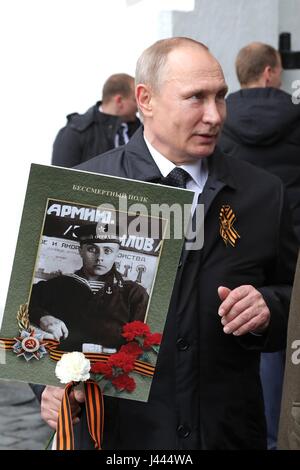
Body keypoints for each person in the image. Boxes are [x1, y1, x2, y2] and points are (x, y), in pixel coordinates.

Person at [33, 37, 297, 450]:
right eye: (196, 98)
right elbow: (26, 320)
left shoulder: (263, 194)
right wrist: (47, 388)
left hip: (225, 433)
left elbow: (291, 295)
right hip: (119, 438)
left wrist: (270, 308)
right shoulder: (84, 187)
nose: (214, 115)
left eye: (221, 97)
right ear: (146, 99)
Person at [219, 42, 300, 450]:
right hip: (293, 243)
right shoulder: (296, 116)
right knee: (280, 329)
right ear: (269, 72)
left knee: (241, 331)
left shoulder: (219, 119)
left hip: (235, 241)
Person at [29, 223, 149, 352]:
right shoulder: (58, 285)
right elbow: (21, 298)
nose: (100, 258)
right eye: (92, 249)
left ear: (117, 254)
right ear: (80, 251)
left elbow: (143, 343)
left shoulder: (134, 293)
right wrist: (43, 317)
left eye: (107, 251)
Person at [52, 73, 141, 168]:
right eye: (135, 100)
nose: (140, 106)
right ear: (119, 100)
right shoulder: (75, 132)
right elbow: (60, 179)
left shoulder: (143, 131)